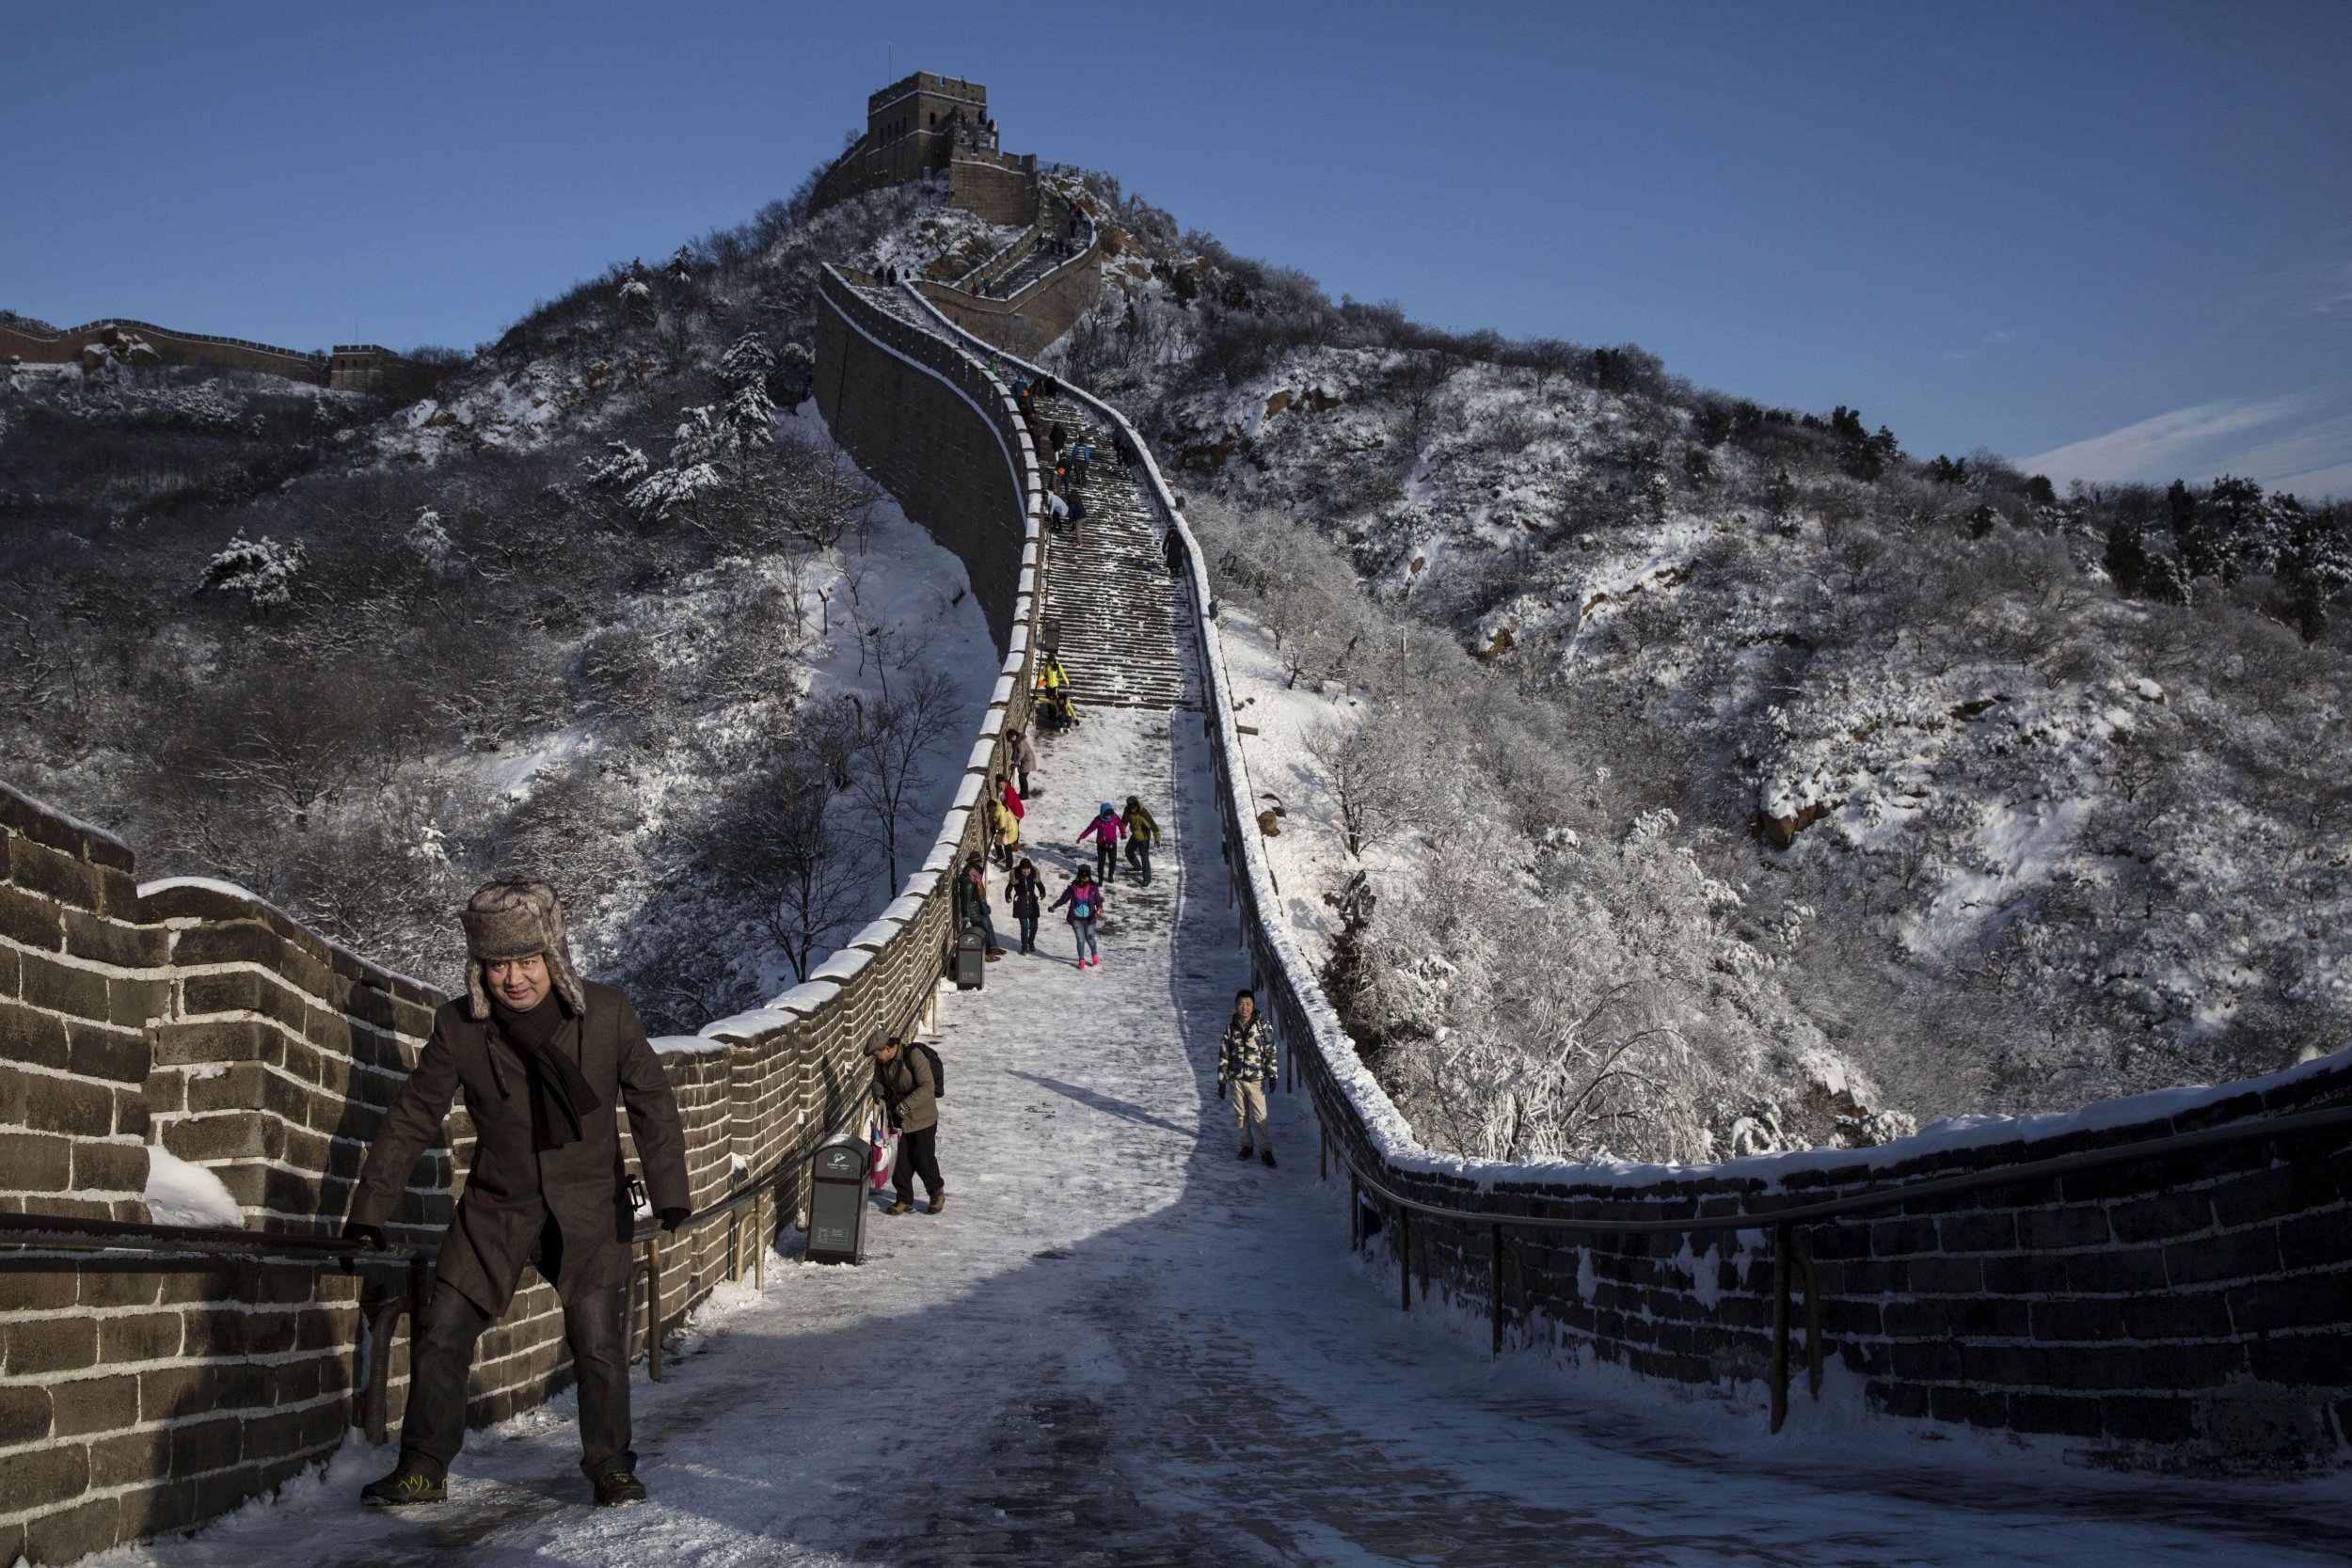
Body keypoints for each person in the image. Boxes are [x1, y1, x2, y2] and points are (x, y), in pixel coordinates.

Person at [343, 881, 690, 1510]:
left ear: (552, 959)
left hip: (587, 1207)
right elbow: (414, 1115)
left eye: (527, 961)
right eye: (498, 964)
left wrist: (670, 1191)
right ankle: (423, 1466)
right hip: (496, 1206)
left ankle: (611, 1466)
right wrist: (368, 1212)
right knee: (443, 1329)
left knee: (598, 1345)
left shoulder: (606, 1014)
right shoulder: (460, 1027)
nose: (514, 978)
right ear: (481, 968)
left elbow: (652, 1101)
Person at [868, 1037, 945, 1214]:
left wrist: (906, 1105)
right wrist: (880, 1097)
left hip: (922, 1117)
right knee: (899, 1161)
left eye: (878, 1054)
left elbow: (927, 1087)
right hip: (898, 1119)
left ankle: (936, 1193)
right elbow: (877, 1082)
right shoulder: (882, 1062)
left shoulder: (913, 1056)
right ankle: (904, 1199)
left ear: (888, 1048)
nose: (877, 1059)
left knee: (923, 1159)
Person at [1218, 990, 1279, 1167]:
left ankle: (1266, 1150)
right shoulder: (1230, 1029)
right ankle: (1247, 1145)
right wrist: (1221, 1080)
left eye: (1248, 1004)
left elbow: (1270, 1051)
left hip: (1255, 1079)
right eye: (1241, 1004)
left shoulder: (1263, 1026)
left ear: (1253, 1006)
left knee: (1260, 1116)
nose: (1244, 1008)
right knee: (1241, 1115)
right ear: (1236, 1006)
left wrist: (1272, 1074)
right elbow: (1224, 1055)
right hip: (1236, 1079)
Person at [1050, 865, 1106, 969]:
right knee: (1080, 940)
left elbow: (1098, 900)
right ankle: (1081, 960)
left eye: (1086, 877)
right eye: (1082, 877)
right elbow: (1063, 899)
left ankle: (1094, 954)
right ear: (1079, 876)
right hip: (1076, 920)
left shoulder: (1093, 888)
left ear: (1089, 877)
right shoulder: (1072, 888)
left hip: (1090, 920)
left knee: (1090, 940)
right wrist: (1054, 906)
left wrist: (1099, 907)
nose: (1084, 880)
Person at [956, 857, 1006, 961]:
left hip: (977, 909)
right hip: (973, 913)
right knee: (983, 932)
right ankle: (987, 954)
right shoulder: (968, 883)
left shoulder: (973, 880)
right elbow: (965, 900)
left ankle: (988, 952)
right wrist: (966, 915)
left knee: (985, 931)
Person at [1076, 800, 1127, 884]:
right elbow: (1089, 829)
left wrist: (1123, 834)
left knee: (1113, 861)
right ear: (1102, 813)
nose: (1108, 817)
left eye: (1109, 815)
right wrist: (1081, 837)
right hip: (1101, 844)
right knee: (1101, 862)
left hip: (1112, 843)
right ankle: (1100, 879)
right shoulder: (1098, 820)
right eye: (1106, 815)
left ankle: (1110, 876)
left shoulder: (1115, 817)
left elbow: (1121, 825)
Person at [1121, 795, 1162, 886]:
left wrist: (1157, 839)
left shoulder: (1143, 813)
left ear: (1137, 805)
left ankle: (1147, 879)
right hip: (1135, 835)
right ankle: (1137, 866)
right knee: (1128, 850)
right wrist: (1122, 832)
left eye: (1134, 807)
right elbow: (1124, 821)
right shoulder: (1127, 811)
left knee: (1144, 857)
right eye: (1131, 807)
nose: (1133, 809)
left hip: (1144, 838)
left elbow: (1153, 826)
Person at [1009, 856, 1044, 955]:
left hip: (1032, 903)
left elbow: (1040, 885)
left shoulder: (1033, 874)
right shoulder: (1016, 875)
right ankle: (1024, 947)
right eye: (1024, 869)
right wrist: (1008, 897)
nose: (1025, 871)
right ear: (1021, 869)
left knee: (1034, 927)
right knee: (1024, 927)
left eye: (1027, 869)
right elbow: (1009, 888)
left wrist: (1042, 893)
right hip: (1021, 903)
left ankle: (1030, 942)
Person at [988, 787, 1020, 871]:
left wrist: (995, 826)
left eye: (991, 810)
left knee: (1007, 847)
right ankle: (1000, 856)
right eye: (989, 810)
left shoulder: (1001, 811)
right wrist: (992, 826)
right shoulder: (993, 809)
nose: (990, 811)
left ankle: (1009, 866)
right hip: (1003, 829)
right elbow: (991, 817)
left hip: (1010, 829)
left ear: (994, 807)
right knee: (997, 843)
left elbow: (1002, 824)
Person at [1008, 727, 1039, 798]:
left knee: (1022, 777)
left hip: (1028, 761)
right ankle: (1023, 793)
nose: (1012, 739)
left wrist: (1015, 763)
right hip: (1027, 760)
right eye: (1011, 738)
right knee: (1022, 777)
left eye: (1013, 737)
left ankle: (1025, 794)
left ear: (1016, 735)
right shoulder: (1019, 741)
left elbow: (1021, 754)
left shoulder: (1020, 742)